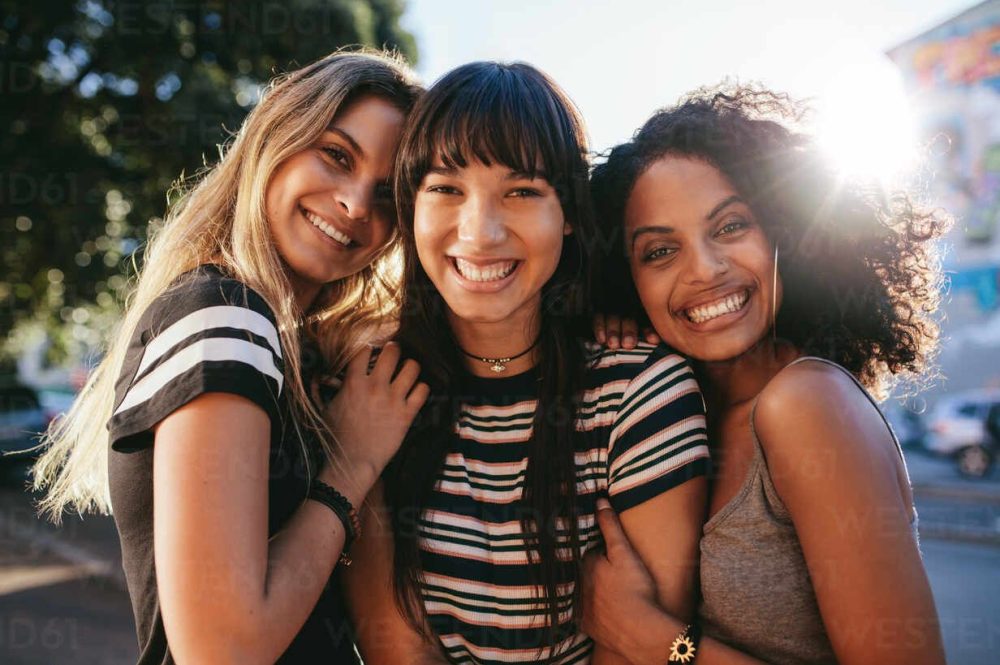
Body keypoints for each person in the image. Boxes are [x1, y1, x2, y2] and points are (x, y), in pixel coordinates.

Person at [32, 50, 428, 664]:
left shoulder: (279, 338)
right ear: (277, 137)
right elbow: (223, 651)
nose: (355, 204)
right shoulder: (225, 314)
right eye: (336, 155)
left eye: (387, 193)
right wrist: (351, 466)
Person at [342, 61, 711, 665]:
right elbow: (397, 651)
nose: (481, 232)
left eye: (522, 192)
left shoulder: (640, 389)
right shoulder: (374, 390)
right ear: (410, 207)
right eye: (445, 188)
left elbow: (648, 650)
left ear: (568, 215)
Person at [586, 84, 949, 664]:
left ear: (783, 232)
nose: (705, 270)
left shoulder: (805, 404)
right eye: (659, 252)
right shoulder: (672, 409)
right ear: (624, 281)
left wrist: (649, 639)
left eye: (730, 227)